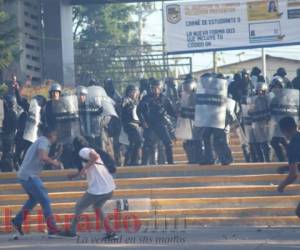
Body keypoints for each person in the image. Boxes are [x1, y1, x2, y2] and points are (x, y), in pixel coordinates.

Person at [60, 136, 118, 240]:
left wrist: (84, 169)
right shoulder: (86, 153)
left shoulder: (83, 150)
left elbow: (94, 157)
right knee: (97, 208)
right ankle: (111, 232)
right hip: (108, 188)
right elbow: (90, 165)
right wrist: (74, 175)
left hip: (98, 189)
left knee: (79, 207)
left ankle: (72, 232)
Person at [11, 127, 64, 238]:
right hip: (30, 176)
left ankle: (17, 221)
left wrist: (57, 156)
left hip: (25, 176)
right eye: (55, 135)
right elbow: (43, 157)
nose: (56, 137)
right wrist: (56, 164)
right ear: (51, 133)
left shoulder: (41, 142)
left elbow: (43, 158)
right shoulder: (44, 141)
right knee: (44, 200)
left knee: (34, 200)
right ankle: (53, 230)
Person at [137, 79, 177, 165]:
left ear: (161, 88)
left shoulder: (164, 98)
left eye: (157, 88)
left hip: (161, 124)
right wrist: (143, 121)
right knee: (147, 144)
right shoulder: (146, 98)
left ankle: (170, 162)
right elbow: (139, 111)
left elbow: (172, 112)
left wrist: (177, 117)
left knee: (168, 143)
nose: (155, 90)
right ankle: (144, 163)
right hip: (149, 124)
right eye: (153, 88)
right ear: (151, 88)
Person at [277, 116, 300, 216]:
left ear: (284, 131)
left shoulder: (292, 146)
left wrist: (281, 185)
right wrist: (286, 167)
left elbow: (293, 175)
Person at [121, 85, 142, 166]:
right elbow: (123, 105)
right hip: (129, 124)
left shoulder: (135, 101)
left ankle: (131, 161)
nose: (133, 93)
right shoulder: (126, 99)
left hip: (135, 124)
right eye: (132, 91)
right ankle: (131, 161)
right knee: (137, 141)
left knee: (134, 142)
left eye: (135, 91)